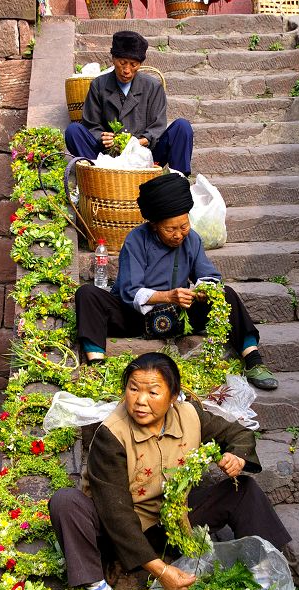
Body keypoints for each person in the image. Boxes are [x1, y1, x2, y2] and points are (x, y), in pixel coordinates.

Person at [49, 352, 291, 590]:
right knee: (66, 502)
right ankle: (97, 588)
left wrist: (236, 457)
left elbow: (237, 434)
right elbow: (116, 513)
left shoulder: (190, 415)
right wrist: (161, 571)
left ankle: (269, 575)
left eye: (153, 392)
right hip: (118, 531)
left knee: (244, 491)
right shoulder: (111, 434)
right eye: (133, 389)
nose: (140, 401)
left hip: (174, 521)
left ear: (173, 397)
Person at [75, 172, 278, 391]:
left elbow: (208, 276)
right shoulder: (136, 239)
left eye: (183, 226)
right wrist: (168, 296)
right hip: (135, 319)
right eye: (170, 229)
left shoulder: (192, 239)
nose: (178, 235)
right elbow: (129, 292)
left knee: (226, 293)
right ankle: (96, 366)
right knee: (87, 294)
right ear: (154, 225)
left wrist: (203, 291)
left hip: (177, 317)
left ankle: (253, 360)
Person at [65, 30, 193, 176]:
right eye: (122, 63)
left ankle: (179, 183)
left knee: (182, 127)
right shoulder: (98, 85)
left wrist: (137, 143)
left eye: (133, 64)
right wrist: (102, 137)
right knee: (73, 131)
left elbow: (157, 127)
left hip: (145, 156)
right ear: (113, 59)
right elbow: (91, 125)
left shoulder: (152, 86)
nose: (126, 70)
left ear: (140, 64)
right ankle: (98, 176)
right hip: (108, 157)